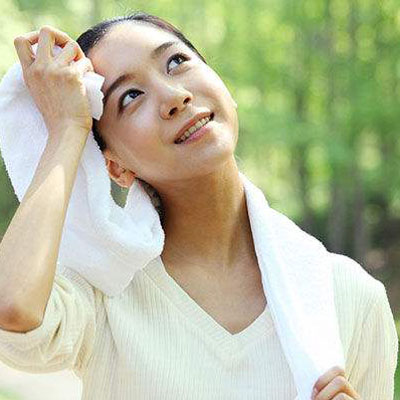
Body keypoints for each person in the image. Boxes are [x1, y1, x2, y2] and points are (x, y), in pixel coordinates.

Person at [0, 12, 397, 400]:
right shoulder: (105, 292)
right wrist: (67, 127)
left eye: (176, 62)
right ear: (116, 166)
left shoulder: (350, 298)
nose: (175, 97)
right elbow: (12, 308)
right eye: (131, 96)